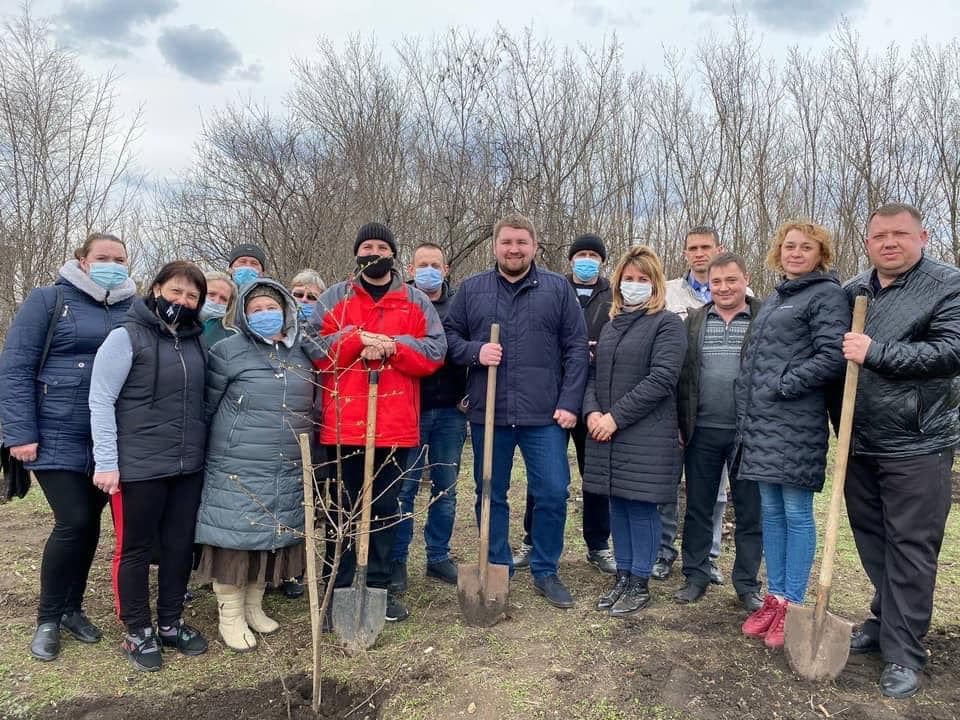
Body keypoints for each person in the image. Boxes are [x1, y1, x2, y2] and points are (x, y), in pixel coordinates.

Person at [841, 203, 960, 699]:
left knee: (912, 546)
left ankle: (905, 651)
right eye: (879, 236)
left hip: (919, 442)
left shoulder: (948, 285)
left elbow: (950, 351)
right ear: (867, 241)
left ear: (922, 236)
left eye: (900, 234)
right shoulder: (853, 290)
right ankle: (885, 619)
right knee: (873, 539)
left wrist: (876, 352)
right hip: (858, 439)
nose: (889, 243)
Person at [0, 233, 136, 662]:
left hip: (108, 436)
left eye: (119, 259)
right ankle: (47, 617)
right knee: (72, 520)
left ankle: (73, 608)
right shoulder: (47, 300)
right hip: (55, 431)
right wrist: (20, 432)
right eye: (102, 258)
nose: (111, 264)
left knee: (91, 522)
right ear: (81, 261)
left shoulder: (134, 309)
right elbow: (16, 365)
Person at [444, 213, 589, 609]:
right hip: (490, 414)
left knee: (553, 492)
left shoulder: (558, 290)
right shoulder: (473, 290)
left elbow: (577, 349)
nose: (514, 249)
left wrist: (569, 402)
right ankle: (497, 565)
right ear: (495, 246)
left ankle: (545, 569)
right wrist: (476, 351)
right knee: (490, 492)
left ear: (535, 246)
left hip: (544, 416)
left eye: (522, 242)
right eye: (507, 242)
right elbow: (448, 340)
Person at [308, 222, 446, 623]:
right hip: (345, 424)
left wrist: (394, 347)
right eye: (367, 246)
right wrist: (355, 340)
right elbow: (316, 348)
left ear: (393, 254)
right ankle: (339, 587)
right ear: (357, 254)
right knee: (344, 509)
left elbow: (435, 352)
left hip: (394, 423)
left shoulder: (415, 301)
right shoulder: (337, 298)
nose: (374, 252)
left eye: (382, 246)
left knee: (385, 508)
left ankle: (379, 588)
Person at [89, 260, 210, 672]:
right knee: (135, 548)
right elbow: (101, 400)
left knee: (179, 546)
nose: (183, 300)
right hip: (137, 466)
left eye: (192, 296)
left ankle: (172, 621)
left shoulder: (196, 341)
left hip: (187, 465)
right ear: (156, 289)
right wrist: (106, 462)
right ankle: (138, 629)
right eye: (176, 291)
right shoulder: (126, 336)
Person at [735, 221, 849, 649]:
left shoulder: (826, 295)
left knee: (796, 511)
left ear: (821, 254)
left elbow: (831, 356)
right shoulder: (779, 297)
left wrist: (785, 383)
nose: (795, 253)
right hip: (761, 425)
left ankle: (794, 604)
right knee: (771, 511)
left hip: (795, 422)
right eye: (789, 246)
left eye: (806, 247)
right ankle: (775, 597)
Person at [194, 279, 315, 651]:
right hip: (238, 462)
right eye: (256, 309)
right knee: (234, 539)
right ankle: (230, 614)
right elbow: (207, 406)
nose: (265, 315)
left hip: (286, 461)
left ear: (286, 312)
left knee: (270, 536)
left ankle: (254, 605)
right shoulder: (229, 351)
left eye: (271, 308)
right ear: (244, 315)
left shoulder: (301, 353)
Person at [583, 246, 686, 616]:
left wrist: (615, 418)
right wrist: (593, 412)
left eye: (643, 279)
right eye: (629, 279)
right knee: (618, 505)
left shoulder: (667, 324)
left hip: (645, 433)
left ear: (655, 283)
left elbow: (661, 379)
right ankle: (623, 577)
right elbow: (593, 374)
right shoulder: (611, 325)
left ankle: (640, 582)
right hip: (607, 432)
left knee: (641, 508)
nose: (634, 285)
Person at [514, 233, 616, 575]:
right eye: (580, 254)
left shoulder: (614, 294)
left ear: (602, 261)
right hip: (555, 395)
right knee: (544, 475)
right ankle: (532, 540)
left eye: (593, 255)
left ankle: (599, 544)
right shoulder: (552, 289)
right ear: (570, 260)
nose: (586, 259)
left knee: (596, 475)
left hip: (598, 396)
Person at [674, 253, 764, 611]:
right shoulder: (693, 322)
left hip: (748, 434)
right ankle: (695, 575)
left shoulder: (764, 318)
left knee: (749, 510)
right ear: (706, 284)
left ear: (746, 279)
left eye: (731, 280)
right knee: (698, 507)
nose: (724, 288)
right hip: (702, 430)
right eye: (716, 282)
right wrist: (681, 424)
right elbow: (682, 378)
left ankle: (746, 584)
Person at [389, 243, 468, 592]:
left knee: (445, 489)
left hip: (451, 411)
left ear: (446, 269)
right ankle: (396, 560)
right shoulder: (400, 303)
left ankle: (438, 557)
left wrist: (471, 394)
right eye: (423, 264)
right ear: (410, 268)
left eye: (435, 264)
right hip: (408, 411)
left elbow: (469, 349)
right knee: (403, 489)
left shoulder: (459, 306)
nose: (429, 270)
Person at [654, 226, 731, 583]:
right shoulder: (667, 293)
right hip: (672, 405)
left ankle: (708, 557)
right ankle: (662, 551)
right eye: (693, 248)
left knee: (714, 492)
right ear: (685, 253)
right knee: (666, 485)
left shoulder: (739, 293)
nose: (700, 254)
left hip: (715, 410)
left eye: (706, 247)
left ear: (720, 249)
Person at [200, 271, 239, 348]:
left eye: (223, 299)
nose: (216, 301)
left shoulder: (233, 337)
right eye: (211, 294)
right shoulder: (176, 323)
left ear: (229, 305)